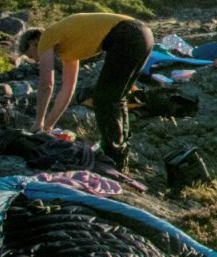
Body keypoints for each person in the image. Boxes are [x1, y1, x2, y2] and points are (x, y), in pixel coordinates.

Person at [15, 12, 155, 162]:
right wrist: (47, 127)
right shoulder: (66, 48)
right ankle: (119, 153)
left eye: (30, 56)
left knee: (103, 99)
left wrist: (38, 124)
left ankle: (112, 155)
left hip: (126, 34)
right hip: (144, 35)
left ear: (32, 43)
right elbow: (67, 90)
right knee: (115, 97)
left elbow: (46, 84)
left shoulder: (46, 37)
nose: (35, 60)